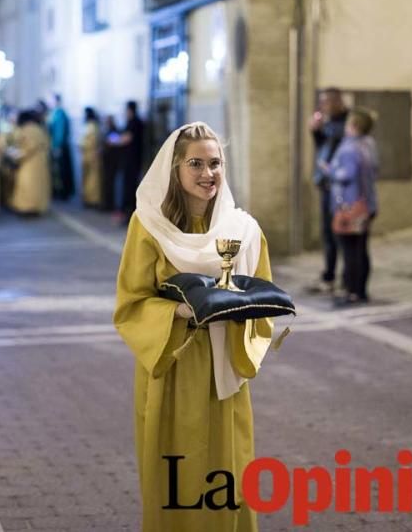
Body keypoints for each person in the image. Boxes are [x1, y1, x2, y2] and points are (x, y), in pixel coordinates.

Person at [114, 122, 274, 531]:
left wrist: (242, 306)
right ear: (176, 169)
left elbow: (261, 296)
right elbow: (132, 302)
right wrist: (181, 313)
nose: (208, 174)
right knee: (177, 470)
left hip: (225, 367)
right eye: (196, 164)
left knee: (228, 469)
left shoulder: (243, 230)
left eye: (215, 163)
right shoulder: (149, 226)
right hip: (174, 365)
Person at [327, 108, 379, 306]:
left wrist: (331, 171)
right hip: (367, 204)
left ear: (354, 126)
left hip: (349, 206)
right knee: (361, 248)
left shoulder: (349, 148)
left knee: (350, 250)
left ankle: (352, 291)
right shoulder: (369, 145)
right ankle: (361, 290)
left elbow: (347, 174)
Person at [308, 87, 349, 295]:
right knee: (328, 233)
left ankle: (347, 279)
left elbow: (338, 151)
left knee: (341, 234)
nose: (323, 106)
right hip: (326, 185)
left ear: (337, 101)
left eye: (327, 102)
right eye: (322, 102)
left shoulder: (346, 124)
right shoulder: (329, 123)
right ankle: (330, 275)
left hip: (340, 187)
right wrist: (315, 131)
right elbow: (322, 148)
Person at [8, 109, 51, 216]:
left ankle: (27, 207)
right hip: (41, 162)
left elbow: (27, 148)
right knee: (39, 185)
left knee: (27, 185)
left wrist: (16, 156)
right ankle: (37, 207)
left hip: (29, 163)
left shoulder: (27, 130)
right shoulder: (40, 129)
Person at [115, 100, 145, 224]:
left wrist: (115, 140)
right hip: (132, 160)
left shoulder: (134, 123)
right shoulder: (136, 122)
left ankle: (130, 217)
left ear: (130, 110)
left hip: (132, 161)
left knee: (130, 188)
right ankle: (128, 215)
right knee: (129, 188)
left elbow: (126, 138)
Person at [47, 94, 75, 200]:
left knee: (61, 171)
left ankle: (63, 192)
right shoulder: (54, 113)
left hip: (60, 147)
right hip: (56, 146)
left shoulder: (59, 114)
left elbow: (60, 132)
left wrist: (57, 146)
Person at [79, 107, 102, 208]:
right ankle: (88, 198)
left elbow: (90, 141)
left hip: (91, 155)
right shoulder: (91, 126)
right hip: (88, 155)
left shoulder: (92, 126)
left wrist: (82, 144)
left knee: (92, 180)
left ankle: (93, 200)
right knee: (88, 179)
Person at [100, 114, 121, 212]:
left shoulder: (114, 131)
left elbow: (111, 143)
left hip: (111, 162)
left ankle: (109, 205)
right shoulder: (109, 131)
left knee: (109, 184)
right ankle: (107, 203)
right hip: (108, 162)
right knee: (107, 183)